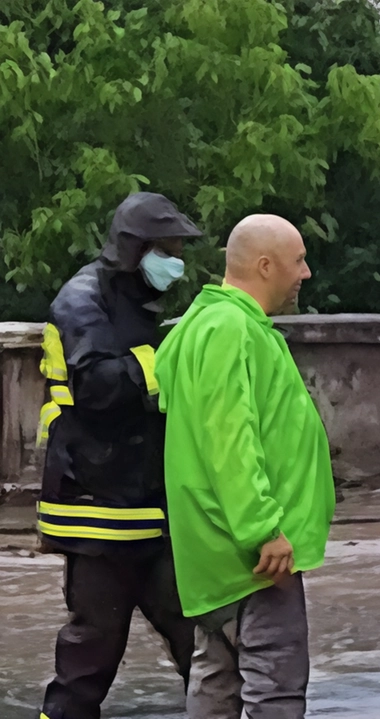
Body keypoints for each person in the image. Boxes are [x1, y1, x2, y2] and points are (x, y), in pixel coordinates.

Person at [154, 214, 334, 719]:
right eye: (298, 261)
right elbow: (228, 439)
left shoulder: (204, 324)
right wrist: (262, 529)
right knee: (272, 693)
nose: (306, 273)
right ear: (264, 265)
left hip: (216, 553)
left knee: (216, 687)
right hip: (254, 558)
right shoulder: (229, 328)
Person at [35, 192, 201, 719]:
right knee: (89, 660)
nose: (176, 259)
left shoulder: (132, 295)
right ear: (137, 248)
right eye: (168, 247)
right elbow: (102, 386)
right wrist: (171, 361)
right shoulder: (81, 299)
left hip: (146, 505)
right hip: (97, 506)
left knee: (202, 645)